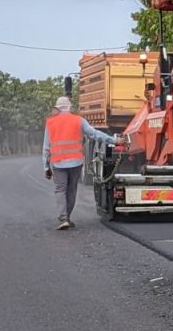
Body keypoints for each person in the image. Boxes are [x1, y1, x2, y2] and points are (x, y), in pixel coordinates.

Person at [43, 96, 123, 230]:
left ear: (57, 108)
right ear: (70, 108)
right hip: (76, 162)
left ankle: (63, 219)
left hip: (58, 163)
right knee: (72, 190)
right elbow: (94, 134)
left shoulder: (50, 123)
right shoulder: (78, 120)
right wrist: (114, 141)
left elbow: (46, 147)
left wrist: (46, 167)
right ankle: (67, 217)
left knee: (60, 190)